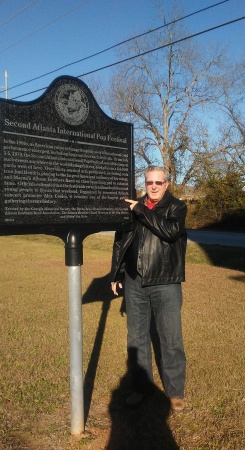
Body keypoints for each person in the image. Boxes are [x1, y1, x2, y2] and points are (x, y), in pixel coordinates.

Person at [110, 166, 187, 412]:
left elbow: (171, 232)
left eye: (158, 182)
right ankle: (141, 388)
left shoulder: (176, 206)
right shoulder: (133, 207)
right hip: (134, 281)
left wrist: (140, 210)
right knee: (137, 338)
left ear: (166, 184)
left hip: (165, 281)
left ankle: (175, 392)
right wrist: (117, 273)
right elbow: (121, 241)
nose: (153, 186)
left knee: (170, 338)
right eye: (149, 182)